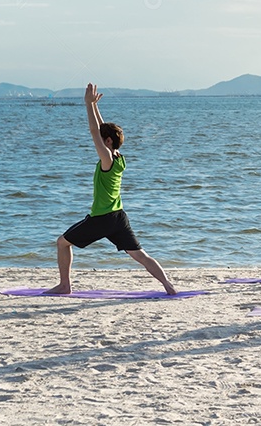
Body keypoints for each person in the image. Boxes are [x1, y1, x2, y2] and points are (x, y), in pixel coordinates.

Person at [44, 83, 177, 295]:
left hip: (101, 218)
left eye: (102, 138)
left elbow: (93, 131)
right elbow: (101, 129)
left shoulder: (106, 159)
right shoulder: (119, 158)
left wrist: (87, 105)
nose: (97, 140)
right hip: (119, 217)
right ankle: (169, 287)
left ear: (107, 141)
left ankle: (64, 286)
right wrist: (95, 106)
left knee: (62, 243)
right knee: (141, 255)